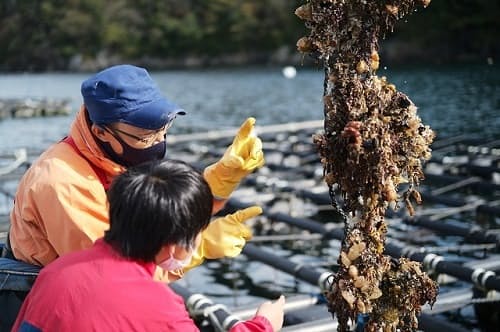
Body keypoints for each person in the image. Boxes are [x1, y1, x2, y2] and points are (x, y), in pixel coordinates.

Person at [1, 64, 264, 330]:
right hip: (51, 303)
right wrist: (200, 245)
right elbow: (115, 275)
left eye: (163, 131)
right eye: (145, 137)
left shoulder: (111, 153)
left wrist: (218, 183)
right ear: (101, 131)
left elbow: (155, 209)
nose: (158, 143)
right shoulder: (62, 183)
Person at [12, 160, 285, 332]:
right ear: (175, 247)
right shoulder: (159, 307)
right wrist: (264, 324)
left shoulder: (55, 271)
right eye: (200, 232)